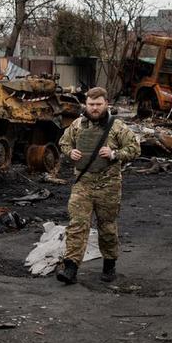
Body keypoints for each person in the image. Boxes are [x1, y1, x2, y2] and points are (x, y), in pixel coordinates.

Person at [56, 87, 141, 284]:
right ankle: (70, 268)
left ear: (106, 104)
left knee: (107, 227)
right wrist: (70, 153)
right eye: (91, 104)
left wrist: (114, 154)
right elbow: (64, 143)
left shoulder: (117, 127)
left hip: (108, 185)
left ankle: (109, 265)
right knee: (77, 225)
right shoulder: (77, 125)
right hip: (83, 184)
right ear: (85, 104)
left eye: (98, 104)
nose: (94, 108)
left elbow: (134, 148)